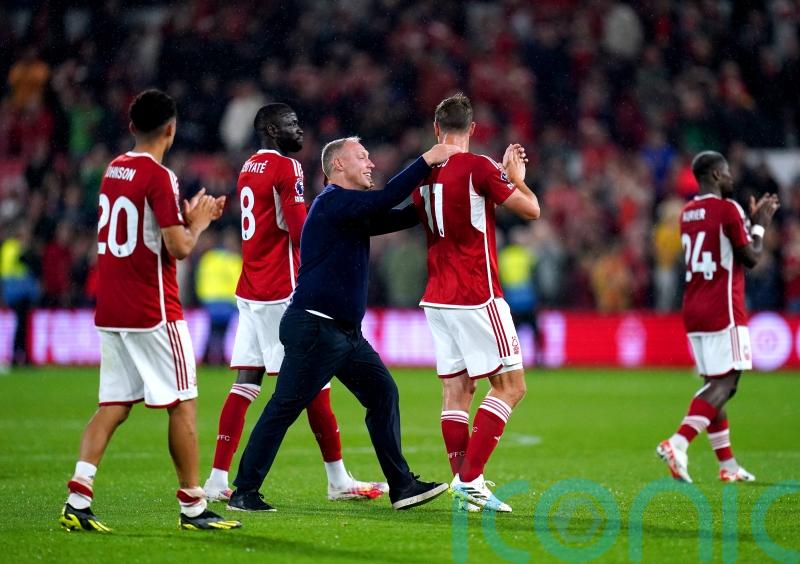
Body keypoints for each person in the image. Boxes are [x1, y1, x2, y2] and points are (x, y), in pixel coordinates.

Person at [227, 137, 461, 512]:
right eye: (362, 156)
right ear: (338, 166)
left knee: (382, 394)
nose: (370, 162)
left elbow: (396, 215)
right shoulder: (332, 202)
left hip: (345, 335)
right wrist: (426, 161)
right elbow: (385, 201)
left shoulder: (348, 210)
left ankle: (401, 485)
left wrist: (432, 197)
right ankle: (244, 491)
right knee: (283, 408)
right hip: (316, 329)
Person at [59, 89, 241, 532]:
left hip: (112, 309)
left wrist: (184, 217)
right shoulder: (159, 176)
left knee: (114, 405)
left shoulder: (113, 170)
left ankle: (77, 499)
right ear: (171, 129)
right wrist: (198, 222)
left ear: (130, 127)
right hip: (153, 310)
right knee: (183, 404)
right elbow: (177, 247)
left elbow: (144, 225)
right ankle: (193, 508)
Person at [204, 104, 387, 503]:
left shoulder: (248, 166)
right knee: (313, 384)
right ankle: (337, 480)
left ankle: (217, 478)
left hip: (250, 287)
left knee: (246, 382)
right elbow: (302, 230)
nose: (299, 130)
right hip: (280, 289)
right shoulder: (288, 168)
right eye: (291, 124)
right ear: (271, 129)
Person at [411, 93, 540, 512]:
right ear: (473, 129)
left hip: (437, 296)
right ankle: (469, 480)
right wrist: (515, 176)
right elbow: (532, 210)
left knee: (456, 391)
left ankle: (465, 482)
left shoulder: (423, 172)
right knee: (511, 386)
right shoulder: (480, 167)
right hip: (476, 294)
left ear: (436, 129)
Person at [656, 151, 780, 483]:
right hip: (723, 308)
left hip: (694, 307)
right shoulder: (728, 209)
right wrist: (760, 226)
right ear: (714, 175)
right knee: (727, 383)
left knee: (716, 387)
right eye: (725, 172)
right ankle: (678, 442)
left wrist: (747, 224)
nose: (730, 177)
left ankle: (727, 465)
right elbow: (751, 258)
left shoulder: (687, 212)